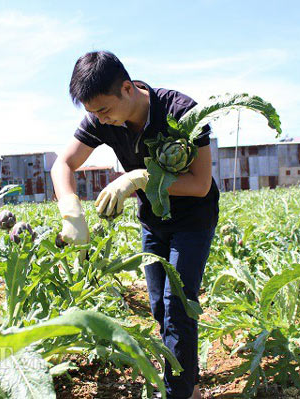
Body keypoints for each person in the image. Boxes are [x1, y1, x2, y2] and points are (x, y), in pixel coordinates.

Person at [50, 50, 219, 399]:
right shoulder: (103, 118)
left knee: (178, 304)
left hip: (192, 221)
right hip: (153, 222)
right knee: (160, 305)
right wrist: (71, 213)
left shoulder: (182, 112)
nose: (100, 119)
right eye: (92, 113)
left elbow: (200, 183)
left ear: (127, 88)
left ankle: (178, 392)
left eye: (103, 110)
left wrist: (142, 178)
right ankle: (189, 382)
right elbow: (63, 164)